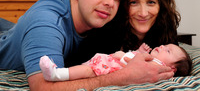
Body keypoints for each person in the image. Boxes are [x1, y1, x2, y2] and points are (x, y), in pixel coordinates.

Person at [0, 0, 174, 91]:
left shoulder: (104, 18)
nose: (109, 2)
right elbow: (43, 87)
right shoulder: (47, 23)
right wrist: (125, 77)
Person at [39, 43, 192, 81]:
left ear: (172, 68)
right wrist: (139, 51)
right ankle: (58, 72)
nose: (162, 46)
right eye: (165, 45)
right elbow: (134, 57)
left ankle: (56, 74)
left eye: (168, 51)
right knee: (82, 69)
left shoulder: (158, 68)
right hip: (106, 62)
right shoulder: (153, 61)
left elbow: (131, 62)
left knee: (85, 71)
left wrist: (121, 55)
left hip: (107, 68)